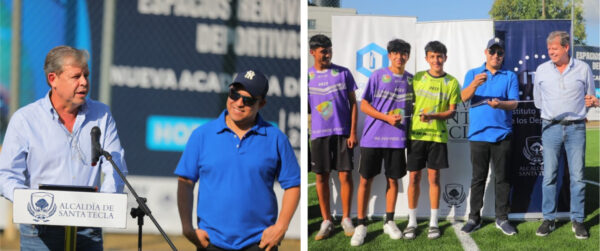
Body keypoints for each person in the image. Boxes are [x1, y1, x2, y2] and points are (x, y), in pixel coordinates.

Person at [0, 45, 127, 250]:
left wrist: (106, 205)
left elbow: (115, 164)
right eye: (76, 76)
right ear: (53, 79)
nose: (84, 82)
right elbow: (6, 174)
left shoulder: (101, 115)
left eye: (86, 75)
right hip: (39, 229)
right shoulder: (25, 119)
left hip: (87, 228)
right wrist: (29, 203)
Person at [175, 69, 301, 251]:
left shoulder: (276, 138)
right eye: (234, 94)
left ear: (262, 104)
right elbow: (185, 181)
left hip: (259, 244)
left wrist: (281, 226)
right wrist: (187, 228)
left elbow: (293, 185)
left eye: (248, 100)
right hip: (211, 242)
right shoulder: (202, 135)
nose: (239, 103)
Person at [533, 31, 598, 239]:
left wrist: (588, 104)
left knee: (578, 177)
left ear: (566, 48)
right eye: (549, 48)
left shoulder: (583, 68)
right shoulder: (542, 70)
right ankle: (549, 219)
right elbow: (538, 101)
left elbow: (590, 96)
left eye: (555, 48)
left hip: (576, 128)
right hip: (550, 128)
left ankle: (578, 220)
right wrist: (552, 114)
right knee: (549, 176)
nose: (551, 51)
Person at [350, 39, 413, 246]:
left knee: (393, 180)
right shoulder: (377, 75)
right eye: (395, 53)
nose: (399, 56)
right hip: (372, 137)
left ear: (408, 56)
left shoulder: (411, 80)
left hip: (397, 140)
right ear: (389, 55)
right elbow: (365, 105)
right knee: (366, 180)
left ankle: (389, 221)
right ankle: (361, 224)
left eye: (403, 53)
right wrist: (386, 118)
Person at [460, 38, 519, 235]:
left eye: (499, 53)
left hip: (502, 134)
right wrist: (475, 84)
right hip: (478, 135)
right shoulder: (473, 74)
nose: (496, 56)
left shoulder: (510, 76)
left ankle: (502, 218)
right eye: (492, 52)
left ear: (503, 55)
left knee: (502, 178)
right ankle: (474, 218)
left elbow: (514, 104)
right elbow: (463, 97)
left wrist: (500, 104)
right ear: (485, 52)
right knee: (478, 178)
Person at [404, 41, 461, 240]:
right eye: (432, 56)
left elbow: (452, 112)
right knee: (413, 178)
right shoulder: (417, 78)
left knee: (434, 179)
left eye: (440, 56)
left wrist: (434, 116)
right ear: (427, 58)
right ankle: (412, 222)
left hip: (437, 137)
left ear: (445, 57)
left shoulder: (452, 82)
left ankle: (434, 222)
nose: (436, 60)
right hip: (416, 136)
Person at [308, 34, 358, 240]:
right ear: (313, 52)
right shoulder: (307, 77)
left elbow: (354, 103)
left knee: (345, 175)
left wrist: (353, 132)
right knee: (321, 177)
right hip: (319, 135)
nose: (327, 54)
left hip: (342, 133)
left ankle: (346, 218)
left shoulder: (343, 73)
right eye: (323, 51)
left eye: (329, 50)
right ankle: (326, 220)